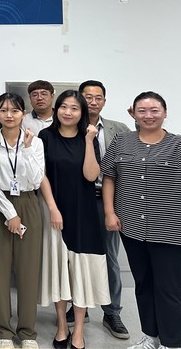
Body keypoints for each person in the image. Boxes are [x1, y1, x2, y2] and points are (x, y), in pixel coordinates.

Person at [102, 92, 181, 349]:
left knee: (168, 289)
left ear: (165, 113)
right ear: (133, 113)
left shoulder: (179, 143)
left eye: (154, 110)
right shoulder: (121, 141)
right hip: (131, 226)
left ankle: (171, 343)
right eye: (142, 110)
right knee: (143, 285)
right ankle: (150, 337)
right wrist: (109, 212)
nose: (148, 115)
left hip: (170, 228)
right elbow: (109, 176)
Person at [38, 90, 109, 349]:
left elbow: (91, 176)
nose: (68, 112)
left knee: (82, 272)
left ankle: (78, 331)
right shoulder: (45, 136)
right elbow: (41, 175)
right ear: (56, 109)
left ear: (82, 113)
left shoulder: (89, 138)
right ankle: (61, 326)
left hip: (84, 214)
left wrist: (89, 141)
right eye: (63, 107)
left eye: (74, 108)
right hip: (54, 211)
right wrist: (53, 209)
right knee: (58, 270)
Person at [0, 93, 44, 349]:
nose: (9, 115)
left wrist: (27, 149)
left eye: (15, 110)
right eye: (4, 110)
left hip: (28, 202)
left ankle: (28, 331)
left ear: (23, 114)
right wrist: (10, 214)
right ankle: (2, 331)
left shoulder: (36, 142)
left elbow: (37, 180)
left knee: (29, 270)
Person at [74, 80, 131, 339]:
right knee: (76, 256)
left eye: (98, 97)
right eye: (87, 96)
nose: (93, 101)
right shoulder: (70, 126)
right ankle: (79, 307)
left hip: (106, 200)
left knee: (109, 257)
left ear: (104, 102)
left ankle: (112, 312)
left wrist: (138, 121)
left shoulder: (118, 129)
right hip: (76, 200)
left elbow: (138, 147)